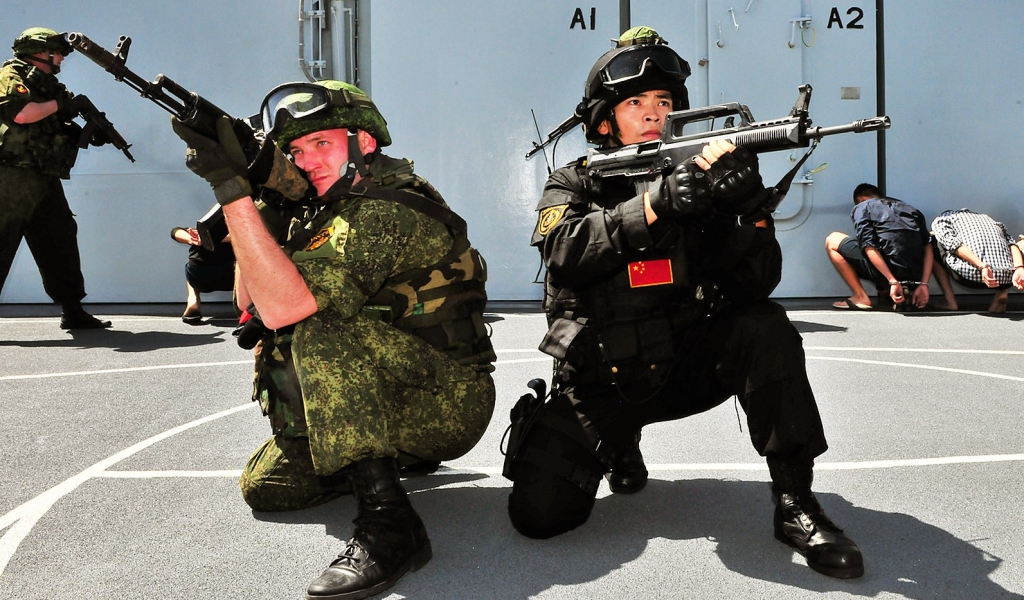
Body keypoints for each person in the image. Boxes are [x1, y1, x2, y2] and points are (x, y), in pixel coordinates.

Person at [505, 27, 863, 579]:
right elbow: (563, 251)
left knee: (764, 327)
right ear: (605, 121)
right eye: (636, 103)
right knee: (539, 516)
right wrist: (654, 204)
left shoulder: (705, 184)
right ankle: (619, 443)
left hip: (684, 365)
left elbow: (755, 284)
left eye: (664, 103)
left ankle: (795, 502)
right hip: (602, 378)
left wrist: (748, 209)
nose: (652, 112)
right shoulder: (576, 181)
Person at [172, 80, 496, 599]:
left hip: (445, 399)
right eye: (296, 151)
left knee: (320, 322)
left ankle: (391, 526)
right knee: (267, 488)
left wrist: (229, 189)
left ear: (363, 142)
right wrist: (262, 205)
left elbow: (285, 309)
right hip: (392, 388)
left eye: (322, 143)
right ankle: (385, 452)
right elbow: (248, 302)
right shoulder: (322, 208)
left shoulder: (385, 207)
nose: (308, 161)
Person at [0, 27, 111, 328]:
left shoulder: (49, 86)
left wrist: (83, 131)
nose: (62, 57)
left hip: (42, 175)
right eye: (57, 51)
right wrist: (62, 107)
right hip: (11, 176)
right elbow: (21, 114)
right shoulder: (12, 75)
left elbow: (51, 122)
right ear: (39, 51)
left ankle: (72, 309)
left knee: (60, 238)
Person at [825, 183, 933, 311]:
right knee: (927, 239)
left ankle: (861, 297)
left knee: (833, 239)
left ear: (859, 199)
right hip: (914, 274)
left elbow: (869, 245)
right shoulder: (910, 208)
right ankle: (903, 288)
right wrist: (923, 283)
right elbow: (928, 246)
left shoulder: (863, 206)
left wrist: (892, 280)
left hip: (890, 272)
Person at [930, 208, 1024, 313]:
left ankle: (950, 301)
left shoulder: (943, 219)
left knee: (932, 240)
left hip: (971, 276)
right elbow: (1011, 244)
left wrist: (982, 266)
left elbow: (954, 245)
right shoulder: (988, 219)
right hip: (1008, 279)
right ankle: (1002, 293)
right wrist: (1020, 268)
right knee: (1020, 243)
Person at [169, 224, 235, 323]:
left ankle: (193, 300)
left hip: (198, 276)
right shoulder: (240, 232)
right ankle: (245, 306)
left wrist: (192, 239)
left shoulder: (202, 233)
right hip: (231, 278)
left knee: (190, 266)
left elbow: (175, 231)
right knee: (245, 268)